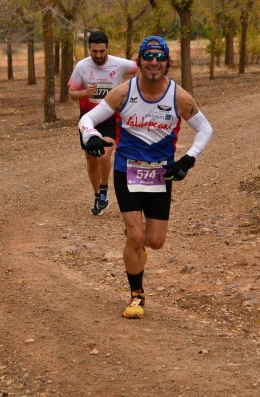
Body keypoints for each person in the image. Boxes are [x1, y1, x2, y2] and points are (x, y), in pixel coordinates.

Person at [78, 36, 213, 319]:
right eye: (148, 58)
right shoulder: (123, 92)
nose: (154, 63)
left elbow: (205, 129)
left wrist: (188, 159)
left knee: (155, 241)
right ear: (139, 62)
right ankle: (136, 296)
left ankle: (137, 245)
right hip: (126, 169)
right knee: (136, 236)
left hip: (160, 174)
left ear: (167, 63)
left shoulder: (179, 97)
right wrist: (90, 136)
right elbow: (87, 119)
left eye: (159, 58)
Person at [68, 31, 138, 216]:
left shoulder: (120, 63)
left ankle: (105, 189)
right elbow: (71, 93)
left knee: (103, 156)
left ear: (107, 48)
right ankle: (97, 195)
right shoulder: (82, 66)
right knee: (91, 160)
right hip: (88, 119)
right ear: (89, 49)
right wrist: (83, 93)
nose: (98, 55)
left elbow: (140, 68)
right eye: (94, 51)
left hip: (110, 117)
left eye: (102, 51)